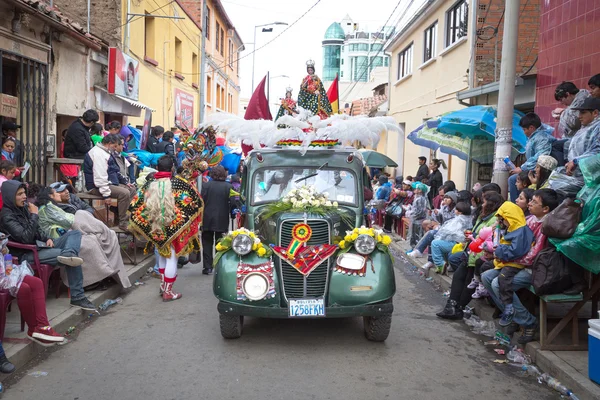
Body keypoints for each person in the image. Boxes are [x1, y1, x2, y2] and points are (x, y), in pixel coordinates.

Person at [0, 180, 96, 311]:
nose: (24, 197)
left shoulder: (23, 208)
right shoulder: (6, 215)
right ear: (10, 196)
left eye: (24, 193)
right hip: (26, 254)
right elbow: (25, 237)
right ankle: (78, 297)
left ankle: (69, 253)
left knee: (74, 234)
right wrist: (34, 215)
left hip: (40, 245)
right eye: (20, 194)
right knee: (72, 259)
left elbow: (38, 230)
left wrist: (47, 238)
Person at [482, 190, 558, 342]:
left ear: (546, 209)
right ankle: (514, 317)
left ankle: (529, 323)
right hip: (515, 264)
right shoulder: (529, 220)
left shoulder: (547, 226)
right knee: (486, 277)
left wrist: (507, 257)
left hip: (533, 269)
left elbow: (532, 255)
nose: (529, 203)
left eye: (534, 202)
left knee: (498, 283)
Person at [129, 156, 203, 300]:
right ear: (172, 169)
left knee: (163, 255)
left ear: (157, 167)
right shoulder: (180, 184)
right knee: (172, 259)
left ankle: (163, 286)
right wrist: (181, 222)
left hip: (156, 228)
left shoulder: (148, 184)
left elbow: (135, 206)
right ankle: (168, 292)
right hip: (173, 228)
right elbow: (195, 203)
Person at [36, 187, 132, 290]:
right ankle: (94, 280)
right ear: (50, 196)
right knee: (90, 239)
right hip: (59, 239)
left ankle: (105, 274)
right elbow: (69, 220)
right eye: (57, 192)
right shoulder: (47, 208)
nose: (60, 194)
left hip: (68, 234)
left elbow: (75, 216)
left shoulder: (56, 205)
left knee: (93, 233)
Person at [436, 190, 504, 319]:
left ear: (491, 203)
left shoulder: (495, 219)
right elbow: (478, 232)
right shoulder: (483, 216)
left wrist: (475, 238)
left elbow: (490, 238)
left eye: (484, 201)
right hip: (471, 252)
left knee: (468, 281)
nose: (481, 204)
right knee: (458, 277)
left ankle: (458, 309)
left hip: (480, 255)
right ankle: (452, 307)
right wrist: (471, 236)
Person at [0, 235, 65, 346]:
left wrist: (4, 250)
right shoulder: (8, 218)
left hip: (5, 272)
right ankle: (33, 329)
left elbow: (7, 263)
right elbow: (24, 236)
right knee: (23, 288)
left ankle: (42, 327)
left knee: (36, 282)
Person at [481, 202, 534, 328]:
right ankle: (511, 313)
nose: (501, 222)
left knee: (500, 281)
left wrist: (499, 250)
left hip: (518, 264)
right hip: (508, 262)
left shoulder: (520, 231)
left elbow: (515, 251)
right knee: (485, 276)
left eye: (502, 219)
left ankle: (525, 320)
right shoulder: (512, 229)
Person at [548, 97, 600, 196]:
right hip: (576, 174)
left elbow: (597, 152)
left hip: (589, 179)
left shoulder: (597, 127)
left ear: (595, 113)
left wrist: (576, 161)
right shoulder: (585, 128)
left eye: (583, 112)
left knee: (553, 195)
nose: (579, 116)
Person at [84, 134, 136, 230]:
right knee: (124, 193)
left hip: (109, 183)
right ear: (109, 143)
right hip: (96, 186)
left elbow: (114, 171)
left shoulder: (105, 152)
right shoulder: (98, 154)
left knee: (132, 189)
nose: (116, 148)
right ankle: (123, 222)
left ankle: (119, 214)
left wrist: (125, 182)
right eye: (115, 146)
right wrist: (106, 195)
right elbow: (100, 176)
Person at [507, 113, 555, 201]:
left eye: (524, 129)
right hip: (532, 169)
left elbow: (540, 156)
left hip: (540, 171)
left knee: (513, 180)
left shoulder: (541, 138)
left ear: (532, 128)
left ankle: (516, 207)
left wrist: (522, 168)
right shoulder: (534, 137)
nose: (524, 132)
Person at [201, 165, 234, 275]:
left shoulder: (206, 186)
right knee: (220, 242)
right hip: (222, 218)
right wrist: (232, 212)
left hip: (207, 218)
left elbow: (201, 202)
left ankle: (207, 267)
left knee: (207, 242)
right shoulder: (228, 187)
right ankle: (219, 264)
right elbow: (233, 203)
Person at [427, 202, 473, 274]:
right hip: (461, 243)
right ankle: (446, 264)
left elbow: (449, 231)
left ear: (460, 212)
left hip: (457, 243)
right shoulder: (469, 219)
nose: (454, 210)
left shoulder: (458, 220)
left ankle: (440, 265)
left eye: (456, 209)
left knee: (435, 243)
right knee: (440, 243)